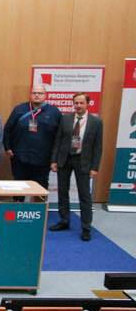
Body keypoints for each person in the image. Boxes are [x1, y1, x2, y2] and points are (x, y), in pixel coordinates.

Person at [49, 93, 103, 241]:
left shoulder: (96, 122)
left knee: (85, 196)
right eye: (76, 103)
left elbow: (98, 147)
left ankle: (86, 228)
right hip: (64, 159)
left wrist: (95, 167)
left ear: (87, 104)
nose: (78, 106)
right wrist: (53, 160)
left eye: (81, 103)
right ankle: (64, 221)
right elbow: (58, 140)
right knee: (62, 192)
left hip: (83, 161)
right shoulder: (65, 119)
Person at [3, 84, 61, 189]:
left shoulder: (54, 112)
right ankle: (18, 200)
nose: (37, 95)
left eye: (40, 93)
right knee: (18, 187)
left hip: (43, 159)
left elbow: (59, 136)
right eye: (34, 93)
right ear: (30, 95)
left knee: (40, 189)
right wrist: (7, 147)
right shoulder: (19, 109)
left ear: (45, 95)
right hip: (20, 157)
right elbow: (8, 129)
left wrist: (55, 158)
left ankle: (39, 201)